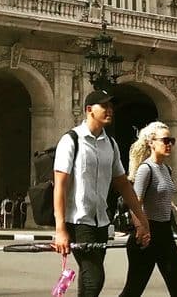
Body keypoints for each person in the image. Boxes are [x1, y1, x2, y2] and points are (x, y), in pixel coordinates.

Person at [52, 89, 150, 297]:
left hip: (101, 222)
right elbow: (60, 185)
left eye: (111, 106)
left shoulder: (111, 144)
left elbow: (123, 184)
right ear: (89, 110)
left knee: (90, 278)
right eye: (104, 106)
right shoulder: (71, 140)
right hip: (78, 221)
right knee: (94, 277)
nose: (110, 110)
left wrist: (141, 219)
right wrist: (60, 229)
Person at [116, 122, 177, 297]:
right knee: (133, 290)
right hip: (147, 235)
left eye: (172, 140)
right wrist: (142, 229)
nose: (169, 144)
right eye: (165, 140)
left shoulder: (167, 169)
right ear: (151, 143)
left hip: (165, 234)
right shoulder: (145, 169)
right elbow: (135, 203)